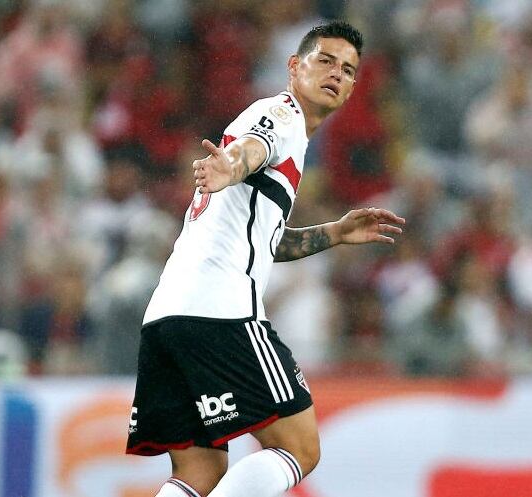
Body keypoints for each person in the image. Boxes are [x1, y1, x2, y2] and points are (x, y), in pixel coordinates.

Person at [126, 21, 405, 497]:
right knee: (300, 447)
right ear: (294, 67)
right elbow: (250, 150)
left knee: (198, 474)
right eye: (325, 61)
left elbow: (266, 242)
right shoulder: (283, 113)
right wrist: (229, 166)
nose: (336, 74)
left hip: (167, 318)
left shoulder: (289, 137)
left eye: (348, 69)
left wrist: (333, 233)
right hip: (221, 310)